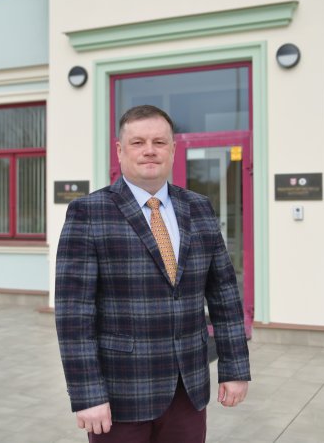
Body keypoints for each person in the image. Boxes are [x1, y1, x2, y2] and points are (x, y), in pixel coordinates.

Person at [55, 105, 251, 443]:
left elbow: (224, 294)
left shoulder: (199, 207)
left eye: (159, 142)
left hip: (188, 389)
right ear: (120, 150)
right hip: (120, 394)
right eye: (138, 142)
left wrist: (234, 367)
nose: (149, 150)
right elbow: (74, 313)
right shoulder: (88, 212)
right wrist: (88, 394)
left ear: (172, 149)